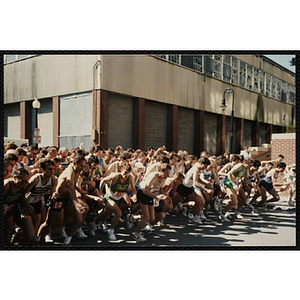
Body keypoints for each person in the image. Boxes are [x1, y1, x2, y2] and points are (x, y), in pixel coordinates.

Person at [36, 155, 87, 245]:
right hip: (58, 199)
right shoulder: (70, 170)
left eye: (83, 166)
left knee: (78, 219)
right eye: (81, 166)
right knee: (49, 223)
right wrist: (76, 203)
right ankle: (37, 238)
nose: (82, 168)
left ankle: (67, 242)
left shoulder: (77, 171)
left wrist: (80, 191)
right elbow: (70, 186)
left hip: (67, 198)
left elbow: (73, 184)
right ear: (75, 163)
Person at [90, 162, 136, 241]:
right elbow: (103, 180)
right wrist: (100, 192)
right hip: (109, 197)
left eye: (128, 173)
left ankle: (95, 223)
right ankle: (111, 231)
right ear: (121, 170)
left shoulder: (130, 178)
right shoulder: (115, 176)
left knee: (106, 213)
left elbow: (134, 189)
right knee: (118, 213)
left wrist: (134, 195)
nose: (126, 175)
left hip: (117, 198)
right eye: (125, 172)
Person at [133, 163, 171, 242]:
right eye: (166, 173)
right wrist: (157, 197)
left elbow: (160, 188)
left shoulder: (164, 177)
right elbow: (145, 190)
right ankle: (136, 234)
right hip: (143, 194)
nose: (167, 175)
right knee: (146, 217)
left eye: (169, 173)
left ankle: (134, 218)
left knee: (153, 218)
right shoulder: (154, 176)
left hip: (151, 195)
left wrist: (166, 196)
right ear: (160, 171)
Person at [21, 158, 57, 238]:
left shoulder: (53, 179)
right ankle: (19, 233)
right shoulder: (36, 179)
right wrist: (26, 205)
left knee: (36, 231)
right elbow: (22, 194)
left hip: (37, 203)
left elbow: (52, 192)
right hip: (26, 203)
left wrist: (54, 195)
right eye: (49, 169)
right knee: (31, 234)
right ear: (43, 169)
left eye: (53, 169)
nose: (52, 171)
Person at [3, 168, 34, 246]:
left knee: (7, 238)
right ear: (14, 178)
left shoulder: (24, 185)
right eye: (21, 181)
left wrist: (25, 205)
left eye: (25, 181)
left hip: (9, 212)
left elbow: (21, 197)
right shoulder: (6, 185)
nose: (23, 184)